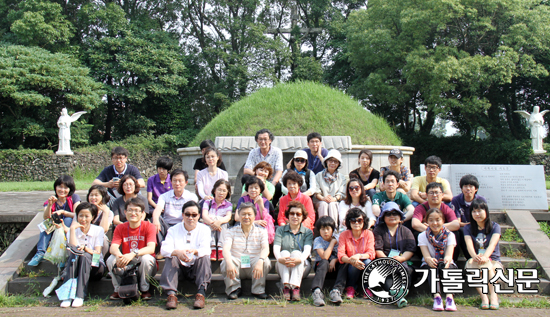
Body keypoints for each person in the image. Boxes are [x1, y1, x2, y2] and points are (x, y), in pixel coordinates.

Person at [160, 201, 212, 310]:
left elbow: (207, 249)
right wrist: (177, 252)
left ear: (199, 216)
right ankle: (171, 295)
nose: (190, 218)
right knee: (171, 256)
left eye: (194, 215)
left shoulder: (205, 230)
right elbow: (164, 249)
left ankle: (201, 293)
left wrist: (195, 252)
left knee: (204, 257)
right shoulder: (173, 230)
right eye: (187, 214)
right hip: (178, 268)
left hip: (196, 267)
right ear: (182, 215)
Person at [107, 197, 157, 300]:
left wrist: (133, 253)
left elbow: (151, 248)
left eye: (136, 210)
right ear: (125, 212)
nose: (133, 213)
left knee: (146, 258)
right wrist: (119, 256)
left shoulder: (149, 226)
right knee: (111, 259)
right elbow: (113, 247)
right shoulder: (120, 227)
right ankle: (118, 289)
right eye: (130, 210)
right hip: (127, 263)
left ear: (142, 213)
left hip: (144, 263)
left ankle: (144, 290)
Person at [221, 203, 271, 300]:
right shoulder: (231, 231)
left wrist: (260, 260)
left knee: (265, 261)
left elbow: (265, 248)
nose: (246, 217)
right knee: (226, 261)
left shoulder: (261, 231)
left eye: (249, 214)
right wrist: (229, 262)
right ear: (238, 216)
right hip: (237, 266)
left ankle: (258, 290)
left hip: (254, 265)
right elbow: (226, 248)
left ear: (254, 216)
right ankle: (233, 289)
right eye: (243, 214)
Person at [60, 202, 105, 308]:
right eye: (80, 215)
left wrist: (85, 249)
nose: (83, 219)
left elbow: (97, 253)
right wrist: (71, 230)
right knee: (75, 256)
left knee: (84, 256)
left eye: (86, 216)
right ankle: (67, 296)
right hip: (76, 264)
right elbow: (72, 251)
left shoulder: (98, 230)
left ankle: (80, 295)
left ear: (93, 217)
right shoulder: (72, 230)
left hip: (95, 266)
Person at [29, 175, 81, 266]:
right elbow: (46, 217)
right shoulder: (51, 200)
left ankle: (63, 254)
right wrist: (50, 205)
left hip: (69, 227)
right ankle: (40, 253)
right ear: (55, 187)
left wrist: (63, 212)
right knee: (46, 224)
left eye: (65, 188)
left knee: (68, 219)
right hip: (55, 227)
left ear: (70, 189)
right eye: (60, 187)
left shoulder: (74, 198)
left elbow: (77, 214)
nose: (62, 190)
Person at [373, 202, 416, 308]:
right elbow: (378, 249)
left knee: (407, 271)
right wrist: (388, 260)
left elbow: (411, 248)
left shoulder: (406, 230)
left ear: (400, 216)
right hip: (385, 262)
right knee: (387, 280)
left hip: (402, 261)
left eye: (395, 213)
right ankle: (400, 297)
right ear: (383, 217)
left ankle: (398, 296)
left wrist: (401, 258)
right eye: (388, 214)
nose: (392, 216)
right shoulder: (378, 230)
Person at [329, 208, 375, 302]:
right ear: (349, 222)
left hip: (364, 262)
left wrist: (358, 256)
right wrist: (352, 260)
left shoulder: (369, 234)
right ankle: (351, 287)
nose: (356, 223)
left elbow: (371, 253)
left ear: (364, 221)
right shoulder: (344, 235)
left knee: (368, 262)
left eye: (359, 220)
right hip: (350, 265)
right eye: (353, 220)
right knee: (354, 265)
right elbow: (341, 255)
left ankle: (367, 287)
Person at [464, 199, 502, 310]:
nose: (477, 214)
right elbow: (469, 245)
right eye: (474, 211)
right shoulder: (468, 228)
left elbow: (492, 245)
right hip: (476, 259)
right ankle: (484, 298)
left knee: (488, 267)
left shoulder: (495, 227)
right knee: (473, 270)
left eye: (480, 211)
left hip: (493, 260)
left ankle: (494, 297)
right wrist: (475, 256)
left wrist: (485, 257)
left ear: (486, 211)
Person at [418, 208, 458, 311]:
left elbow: (449, 255)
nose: (435, 223)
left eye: (438, 220)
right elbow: (426, 255)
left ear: (443, 221)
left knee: (449, 268)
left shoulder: (450, 235)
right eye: (431, 220)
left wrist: (446, 261)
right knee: (432, 269)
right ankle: (437, 297)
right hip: (429, 262)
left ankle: (450, 298)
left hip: (445, 262)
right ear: (426, 221)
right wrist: (429, 259)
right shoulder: (422, 236)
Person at [274, 201, 313, 301]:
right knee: (284, 253)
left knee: (297, 254)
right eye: (292, 213)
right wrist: (280, 259)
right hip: (283, 266)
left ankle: (295, 288)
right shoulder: (280, 230)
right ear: (288, 215)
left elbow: (307, 251)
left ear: (302, 216)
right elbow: (276, 249)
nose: (295, 216)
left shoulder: (307, 232)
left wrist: (299, 260)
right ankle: (286, 287)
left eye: (298, 214)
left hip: (302, 266)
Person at [451, 174, 487, 261]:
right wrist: (468, 224)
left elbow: (484, 219)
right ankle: (455, 260)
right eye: (465, 186)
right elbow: (457, 222)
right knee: (459, 231)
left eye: (471, 186)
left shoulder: (481, 200)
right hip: (462, 228)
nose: (468, 189)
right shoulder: (456, 200)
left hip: (478, 227)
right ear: (461, 188)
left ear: (476, 189)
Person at [236, 176, 275, 244]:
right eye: (251, 187)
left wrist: (260, 204)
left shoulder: (265, 201)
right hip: (246, 225)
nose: (253, 190)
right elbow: (236, 217)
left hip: (259, 228)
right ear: (247, 189)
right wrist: (254, 222)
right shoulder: (243, 199)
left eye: (256, 188)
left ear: (260, 190)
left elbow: (265, 219)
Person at [310, 216, 339, 307]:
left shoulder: (338, 239)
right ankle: (316, 291)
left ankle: (337, 291)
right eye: (322, 229)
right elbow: (324, 256)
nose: (325, 232)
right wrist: (332, 243)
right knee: (324, 262)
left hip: (335, 268)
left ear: (333, 230)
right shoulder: (318, 240)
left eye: (328, 229)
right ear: (319, 230)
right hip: (321, 268)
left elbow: (342, 254)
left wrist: (334, 260)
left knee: (344, 262)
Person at [314, 149, 348, 224]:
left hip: (335, 201)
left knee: (332, 205)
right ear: (326, 162)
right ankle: (323, 227)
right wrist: (323, 198)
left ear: (338, 164)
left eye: (335, 161)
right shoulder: (318, 176)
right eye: (330, 161)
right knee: (323, 204)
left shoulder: (341, 177)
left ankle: (333, 229)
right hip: (321, 201)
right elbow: (316, 192)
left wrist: (334, 199)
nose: (332, 163)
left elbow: (341, 193)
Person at [202, 179, 233, 261]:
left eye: (224, 191)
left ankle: (220, 249)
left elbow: (228, 217)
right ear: (214, 190)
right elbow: (204, 216)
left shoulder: (228, 204)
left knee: (224, 224)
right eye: (219, 190)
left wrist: (218, 222)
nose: (221, 193)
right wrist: (213, 223)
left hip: (221, 227)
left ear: (227, 193)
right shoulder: (207, 202)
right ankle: (212, 248)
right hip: (210, 224)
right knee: (208, 223)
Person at [86, 185, 114, 257]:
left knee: (103, 238)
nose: (93, 198)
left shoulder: (109, 212)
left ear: (103, 197)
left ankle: (98, 261)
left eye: (96, 195)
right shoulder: (85, 210)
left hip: (99, 243)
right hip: (86, 239)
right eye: (91, 195)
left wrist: (105, 212)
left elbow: (103, 230)